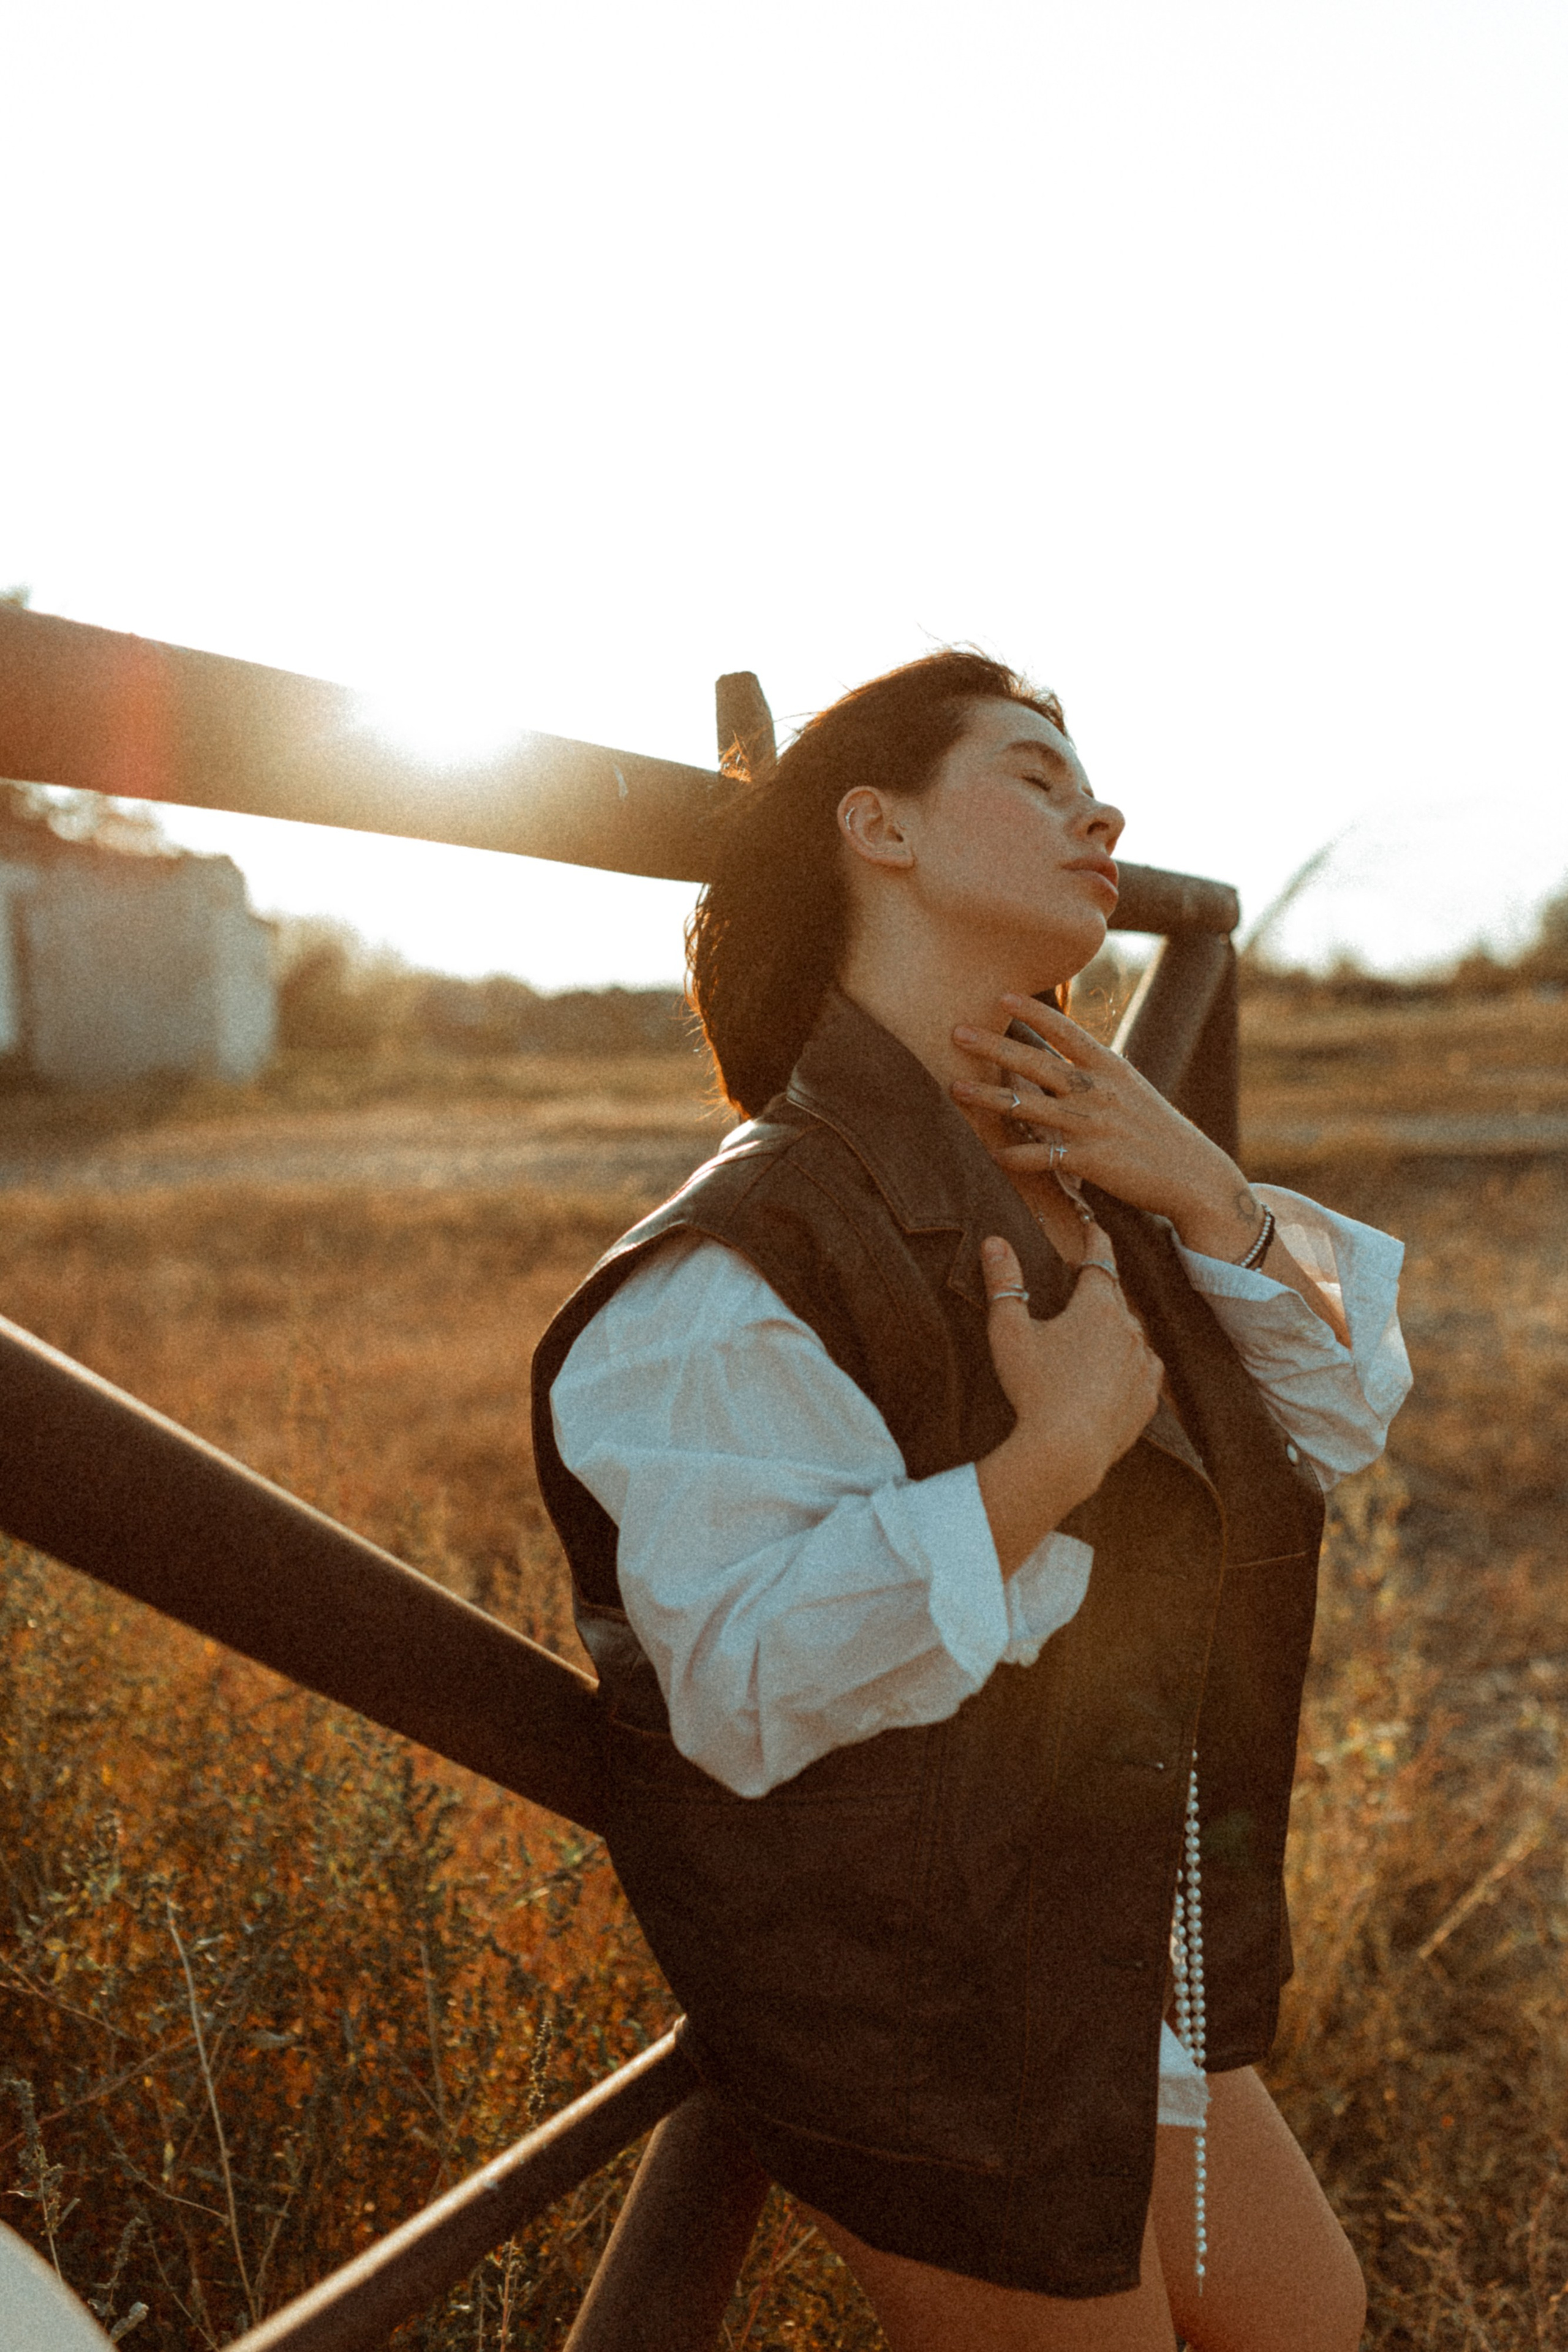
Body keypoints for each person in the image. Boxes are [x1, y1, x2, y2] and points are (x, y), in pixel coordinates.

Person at [530, 650, 1409, 2351]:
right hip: (928, 2001)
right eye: (1032, 772)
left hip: (1103, 1932)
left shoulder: (1091, 1155)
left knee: (1309, 2318)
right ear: (880, 827)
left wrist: (1208, 1189)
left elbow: (1342, 1404)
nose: (1105, 812)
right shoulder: (743, 1260)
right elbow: (747, 1675)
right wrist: (1046, 1466)